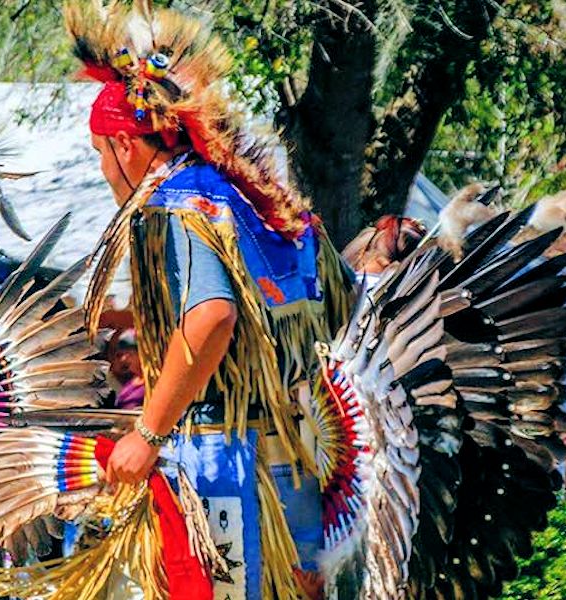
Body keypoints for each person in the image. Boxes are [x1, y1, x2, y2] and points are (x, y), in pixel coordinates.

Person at [68, 3, 355, 597]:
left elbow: (213, 318)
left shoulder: (175, 206)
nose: (101, 168)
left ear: (126, 144)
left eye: (99, 152)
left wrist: (146, 434)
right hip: (296, 458)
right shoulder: (257, 202)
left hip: (224, 462)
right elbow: (323, 309)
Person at [109, 328, 145, 410]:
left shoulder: (153, 383)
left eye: (130, 354)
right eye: (122, 354)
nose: (124, 359)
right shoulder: (131, 382)